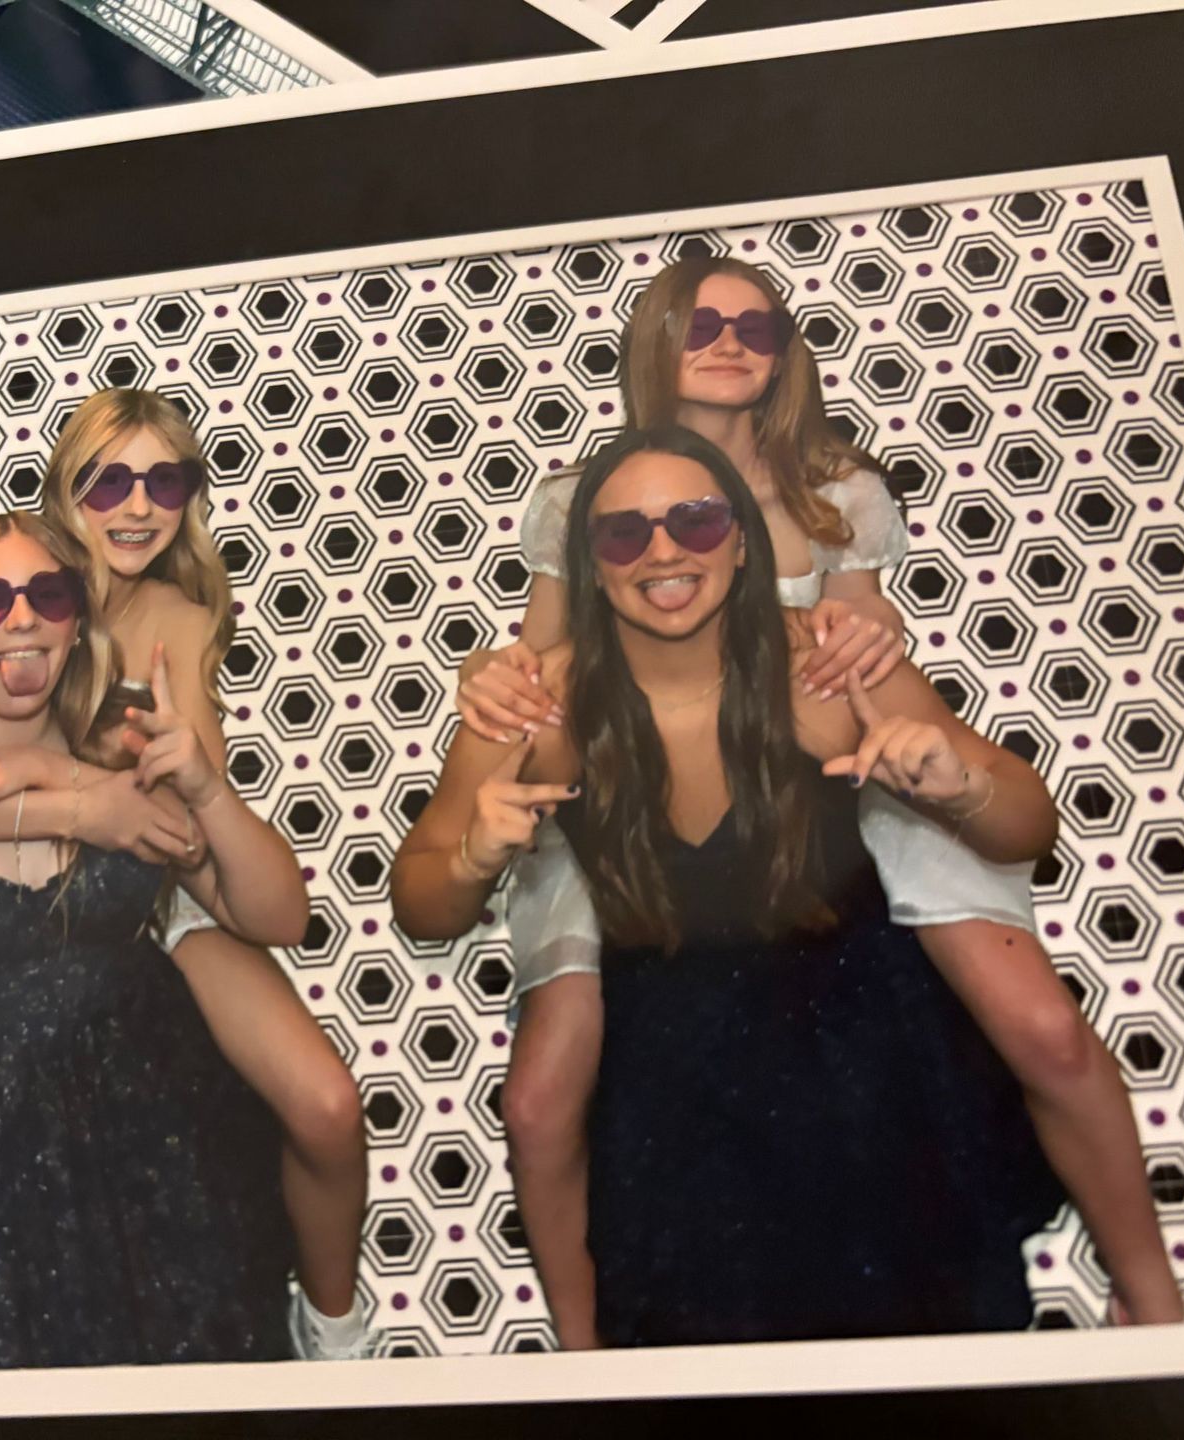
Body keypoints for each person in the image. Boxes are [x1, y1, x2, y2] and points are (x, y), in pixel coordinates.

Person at [447, 256, 1181, 1337]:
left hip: (831, 777)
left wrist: (896, 726)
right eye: (702, 322)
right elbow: (547, 666)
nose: (729, 341)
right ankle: (584, 1357)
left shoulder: (839, 492)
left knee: (1042, 1027)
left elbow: (859, 655)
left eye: (758, 326)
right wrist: (492, 685)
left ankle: (1154, 1300)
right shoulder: (581, 497)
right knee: (541, 1094)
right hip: (628, 792)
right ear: (654, 340)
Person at [393, 427, 1070, 1343]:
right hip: (671, 1098)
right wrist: (472, 859)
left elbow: (1029, 824)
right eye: (623, 533)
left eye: (697, 521)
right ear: (590, 565)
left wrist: (959, 789)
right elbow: (420, 901)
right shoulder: (540, 704)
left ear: (743, 540)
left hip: (868, 1071)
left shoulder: (825, 663)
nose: (663, 551)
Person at [0, 388, 371, 1360]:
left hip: (139, 897)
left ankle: (334, 1335)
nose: (137, 503)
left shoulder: (180, 619)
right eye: (108, 478)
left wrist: (66, 786)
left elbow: (187, 819)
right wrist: (65, 796)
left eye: (165, 480)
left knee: (327, 1104)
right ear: (64, 487)